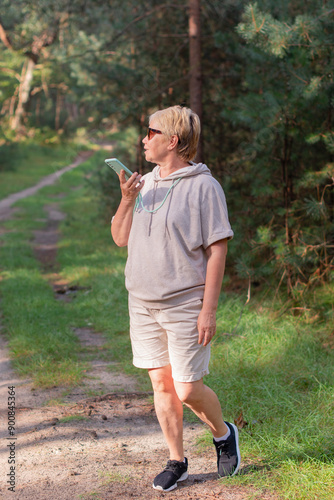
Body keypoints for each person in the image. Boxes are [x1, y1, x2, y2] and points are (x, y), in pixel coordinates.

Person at [111, 105, 240, 492]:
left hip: (186, 303)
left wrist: (209, 311)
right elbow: (120, 237)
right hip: (142, 302)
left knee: (186, 389)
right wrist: (126, 198)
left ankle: (223, 433)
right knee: (162, 386)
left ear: (173, 141)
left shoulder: (204, 187)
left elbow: (218, 250)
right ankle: (176, 460)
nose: (144, 139)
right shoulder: (145, 184)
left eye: (151, 132)